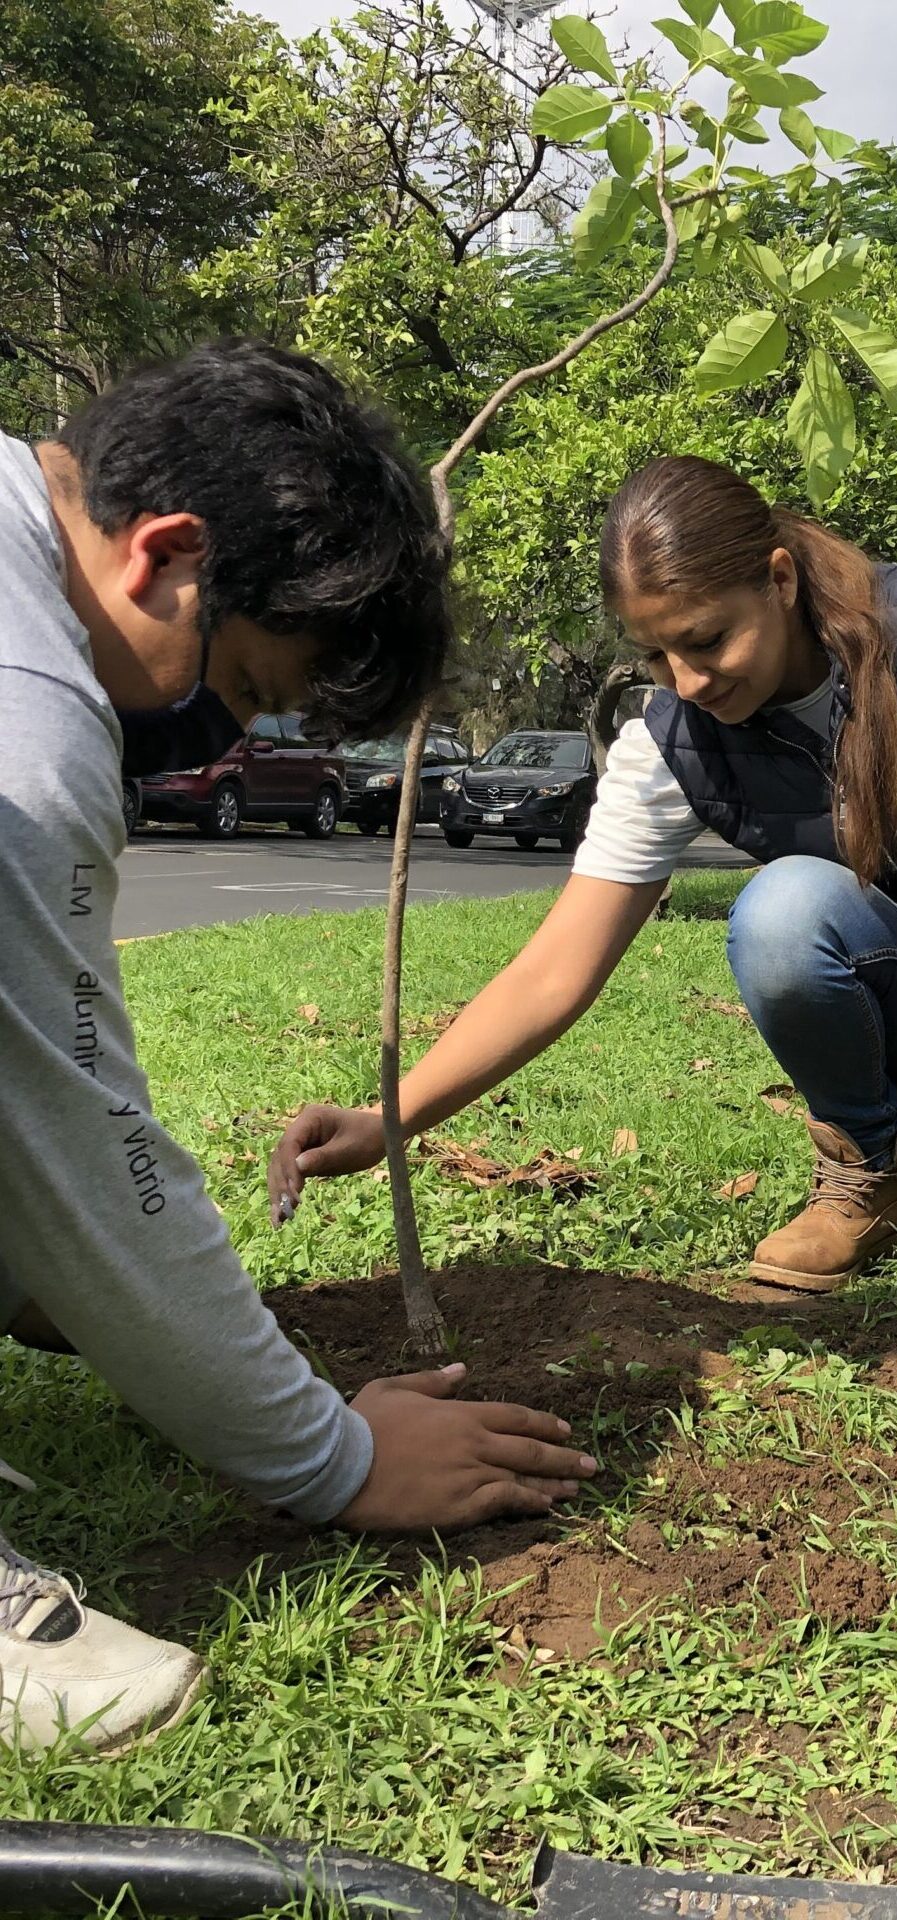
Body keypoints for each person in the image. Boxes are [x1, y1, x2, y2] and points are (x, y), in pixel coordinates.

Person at [271, 456, 897, 1300]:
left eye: (707, 638)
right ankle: (870, 1175)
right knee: (783, 911)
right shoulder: (669, 741)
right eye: (658, 653)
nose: (690, 680)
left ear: (781, 579)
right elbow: (553, 972)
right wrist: (387, 1121)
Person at [0, 341, 596, 1756]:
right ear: (169, 555)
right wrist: (335, 1456)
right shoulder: (25, 744)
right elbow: (75, 1142)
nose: (222, 733)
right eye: (249, 685)